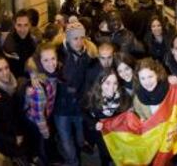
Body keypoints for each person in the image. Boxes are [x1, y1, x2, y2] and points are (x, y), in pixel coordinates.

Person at [54, 22, 95, 166]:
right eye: (75, 38)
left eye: (81, 37)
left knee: (79, 134)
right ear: (68, 38)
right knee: (66, 139)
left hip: (79, 105)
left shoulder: (88, 55)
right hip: (61, 107)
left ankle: (81, 144)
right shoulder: (57, 53)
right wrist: (34, 73)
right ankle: (73, 162)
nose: (79, 42)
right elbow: (36, 62)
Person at [82, 69, 132, 166]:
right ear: (100, 83)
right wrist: (94, 122)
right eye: (107, 83)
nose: (111, 88)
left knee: (116, 152)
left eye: (115, 83)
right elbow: (82, 111)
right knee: (104, 153)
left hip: (116, 132)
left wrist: (129, 111)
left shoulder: (122, 96)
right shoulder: (91, 95)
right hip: (100, 132)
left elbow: (126, 111)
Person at [23, 43, 60, 165]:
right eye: (46, 60)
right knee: (43, 146)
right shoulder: (38, 88)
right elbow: (39, 117)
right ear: (40, 63)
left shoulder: (51, 73)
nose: (51, 63)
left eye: (53, 58)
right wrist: (46, 133)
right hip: (37, 122)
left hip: (46, 113)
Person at [1, 9, 38, 77]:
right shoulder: (9, 45)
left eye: (25, 25)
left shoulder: (33, 41)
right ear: (14, 25)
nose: (22, 30)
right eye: (19, 25)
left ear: (30, 25)